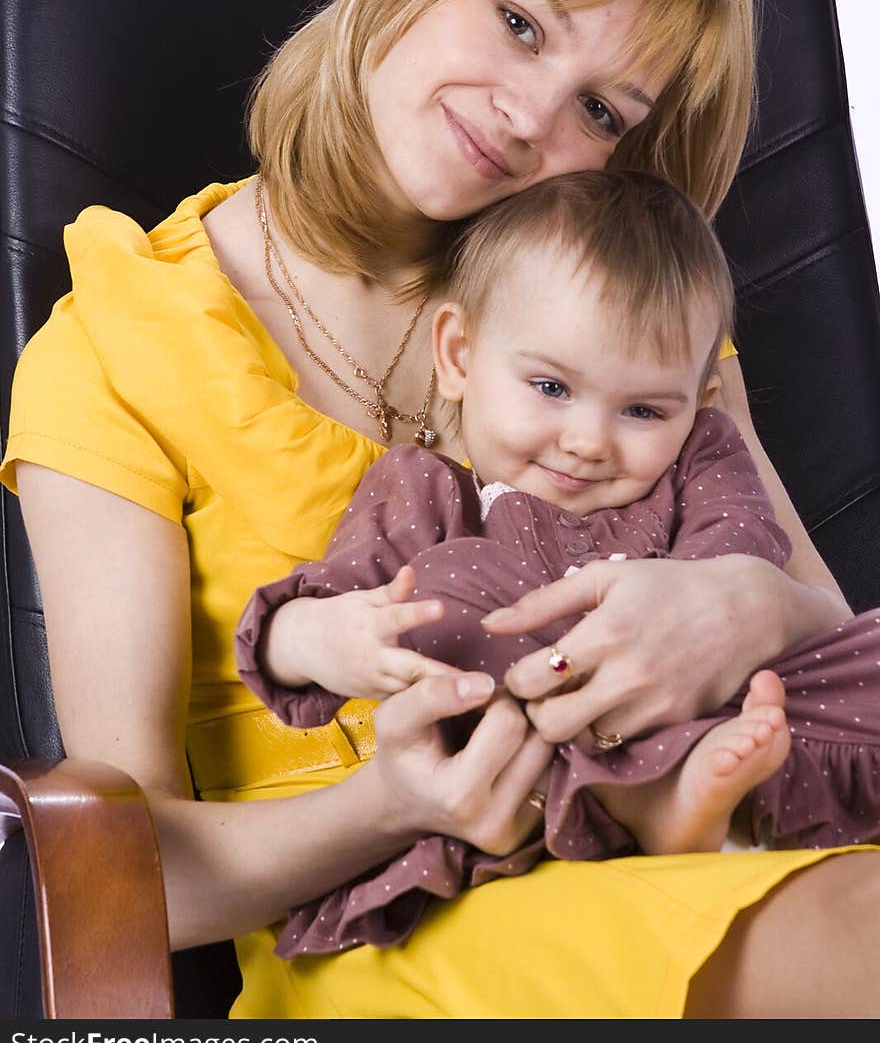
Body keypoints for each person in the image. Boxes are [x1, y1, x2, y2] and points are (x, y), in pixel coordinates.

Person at [2, 0, 879, 1020]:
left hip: (700, 836)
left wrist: (738, 600)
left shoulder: (603, 316)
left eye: (602, 112)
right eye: (519, 24)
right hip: (394, 932)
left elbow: (830, 638)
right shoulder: (115, 347)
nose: (529, 116)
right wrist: (394, 801)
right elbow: (112, 872)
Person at [234, 169, 880, 955]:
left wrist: (689, 608)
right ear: (459, 354)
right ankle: (652, 799)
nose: (587, 439)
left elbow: (736, 569)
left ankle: (705, 793)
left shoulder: (702, 452)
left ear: (700, 398)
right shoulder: (424, 488)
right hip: (527, 760)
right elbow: (316, 605)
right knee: (443, 592)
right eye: (550, 386)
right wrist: (318, 638)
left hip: (732, 710)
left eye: (643, 408)